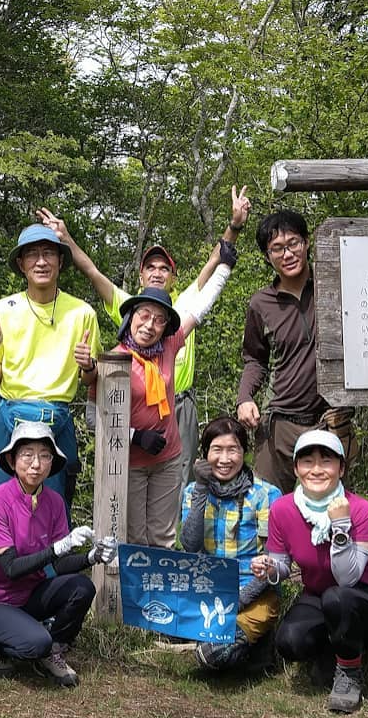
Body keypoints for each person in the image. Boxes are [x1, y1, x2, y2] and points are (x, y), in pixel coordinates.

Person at [43, 211, 233, 547]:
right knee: (132, 537)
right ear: (130, 317)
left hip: (168, 459)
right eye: (143, 315)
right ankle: (130, 599)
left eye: (159, 320)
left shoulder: (169, 345)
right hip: (127, 462)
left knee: (162, 536)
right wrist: (135, 436)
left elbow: (202, 303)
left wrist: (226, 266)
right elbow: (92, 417)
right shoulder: (114, 359)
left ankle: (156, 599)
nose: (150, 324)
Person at [68, 186, 253, 493]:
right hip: (138, 403)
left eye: (164, 268)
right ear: (141, 276)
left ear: (173, 277)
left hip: (181, 402)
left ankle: (177, 536)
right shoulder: (131, 307)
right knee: (133, 478)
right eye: (150, 268)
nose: (157, 273)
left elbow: (216, 263)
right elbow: (92, 271)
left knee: (179, 480)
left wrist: (234, 226)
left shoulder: (183, 308)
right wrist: (66, 239)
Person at [0, 422, 117, 688]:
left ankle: (53, 651)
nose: (36, 464)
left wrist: (91, 557)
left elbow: (58, 565)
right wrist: (58, 547)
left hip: (30, 593)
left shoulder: (54, 502)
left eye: (45, 455)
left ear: (52, 462)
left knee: (82, 587)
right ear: (12, 460)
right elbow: (10, 568)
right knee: (35, 643)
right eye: (27, 454)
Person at [253, 430, 368, 714]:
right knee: (289, 642)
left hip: (365, 597)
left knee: (337, 598)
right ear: (295, 468)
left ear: (341, 468)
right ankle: (335, 651)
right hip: (316, 595)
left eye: (326, 461)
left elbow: (348, 578)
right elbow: (281, 565)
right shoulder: (282, 509)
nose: (316, 469)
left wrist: (340, 526)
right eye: (307, 461)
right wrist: (269, 568)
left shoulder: (361, 510)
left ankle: (350, 672)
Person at [0, 218, 99, 503]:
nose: (41, 262)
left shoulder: (82, 313)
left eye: (48, 253)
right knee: (0, 503)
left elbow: (88, 380)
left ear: (60, 261)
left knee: (54, 505)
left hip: (57, 415)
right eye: (33, 254)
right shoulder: (1, 310)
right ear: (21, 264)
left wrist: (89, 366)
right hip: (9, 412)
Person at [236, 210, 333, 495]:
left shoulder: (332, 287)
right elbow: (255, 359)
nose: (287, 254)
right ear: (268, 257)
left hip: (328, 419)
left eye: (294, 243)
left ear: (307, 243)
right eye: (277, 248)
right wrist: (244, 398)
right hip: (278, 423)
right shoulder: (261, 304)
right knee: (269, 511)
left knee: (330, 512)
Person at [180, 417, 283, 671]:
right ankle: (250, 644)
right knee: (206, 647)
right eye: (217, 450)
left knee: (212, 656)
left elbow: (274, 560)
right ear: (205, 454)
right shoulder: (193, 490)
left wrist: (237, 600)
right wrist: (202, 488)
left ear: (244, 453)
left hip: (253, 591)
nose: (224, 459)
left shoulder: (266, 495)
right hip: (209, 589)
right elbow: (190, 545)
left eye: (232, 449)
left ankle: (257, 642)